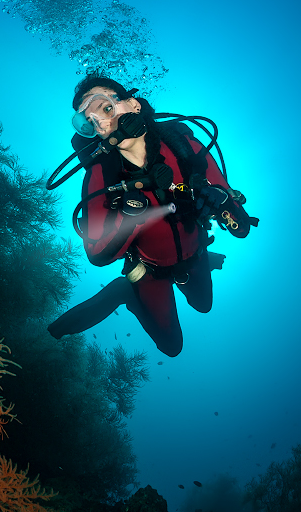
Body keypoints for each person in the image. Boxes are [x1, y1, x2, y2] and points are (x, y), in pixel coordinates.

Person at [47, 75, 256, 356]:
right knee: (172, 347)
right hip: (149, 272)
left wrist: (220, 201)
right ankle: (125, 293)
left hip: (196, 255)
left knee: (203, 305)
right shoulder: (101, 175)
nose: (103, 125)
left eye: (106, 109)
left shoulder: (183, 146)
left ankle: (208, 262)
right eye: (91, 123)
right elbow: (97, 253)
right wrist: (130, 213)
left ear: (133, 105)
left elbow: (241, 227)